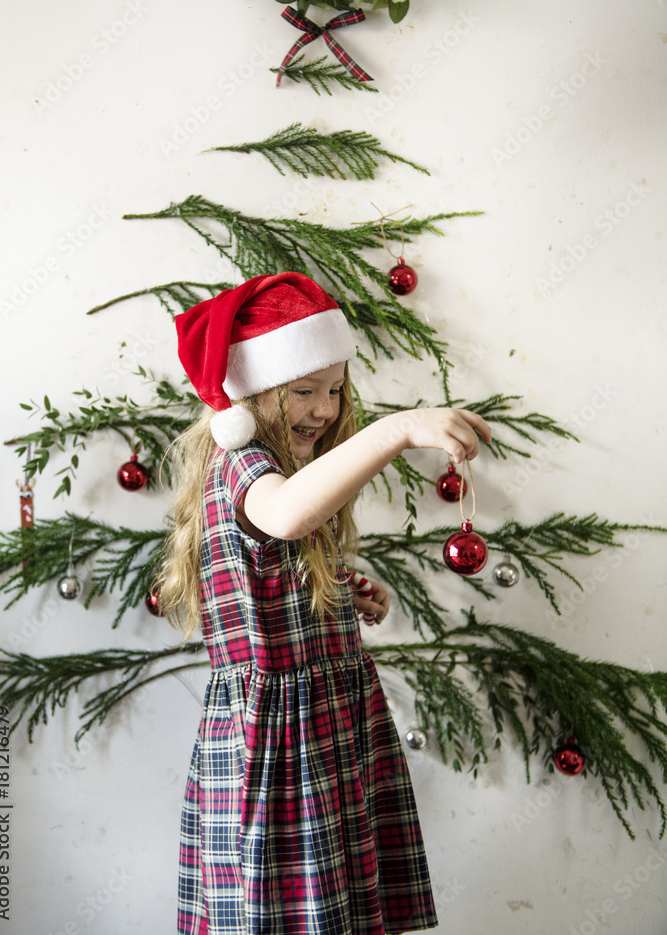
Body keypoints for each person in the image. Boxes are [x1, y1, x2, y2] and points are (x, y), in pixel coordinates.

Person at [160, 272, 491, 935]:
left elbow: (276, 558)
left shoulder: (280, 470)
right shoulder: (243, 464)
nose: (323, 408)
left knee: (335, 910)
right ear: (248, 396)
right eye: (303, 390)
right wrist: (397, 429)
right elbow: (282, 518)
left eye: (335, 389)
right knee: (284, 916)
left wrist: (339, 595)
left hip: (327, 723)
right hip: (277, 745)